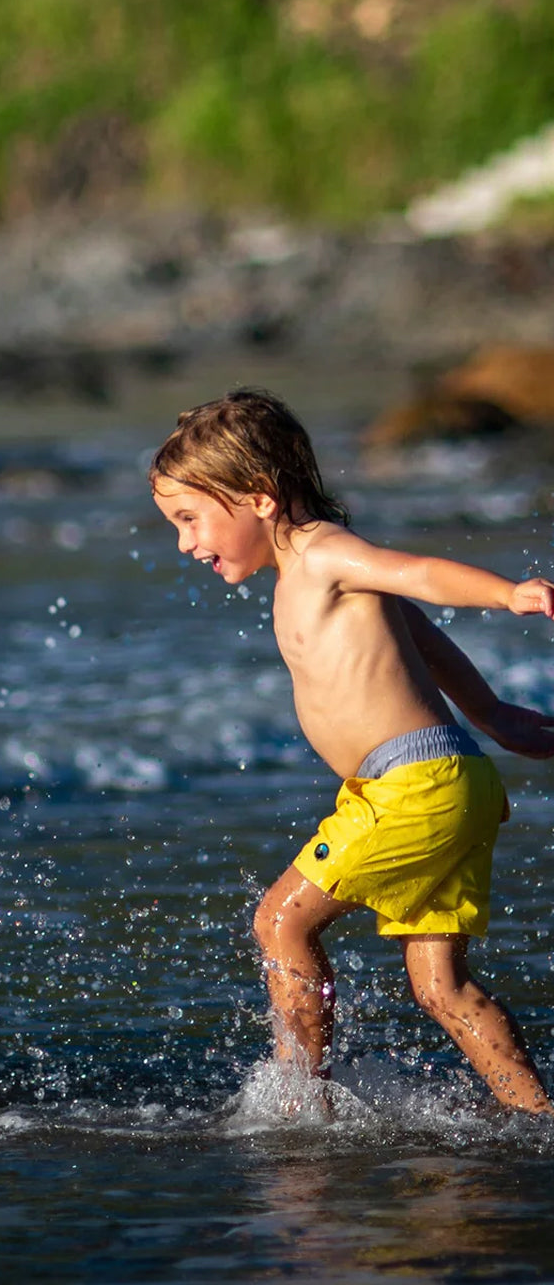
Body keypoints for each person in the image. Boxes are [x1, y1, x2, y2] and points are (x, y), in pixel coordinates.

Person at [150, 387, 554, 1113]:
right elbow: (420, 637)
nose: (186, 543)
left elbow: (421, 576)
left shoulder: (326, 554)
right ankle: (535, 1116)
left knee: (280, 921)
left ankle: (300, 1103)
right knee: (442, 987)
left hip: (414, 789)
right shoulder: (310, 572)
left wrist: (508, 594)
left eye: (191, 518)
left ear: (261, 497)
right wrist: (491, 714)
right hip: (446, 780)